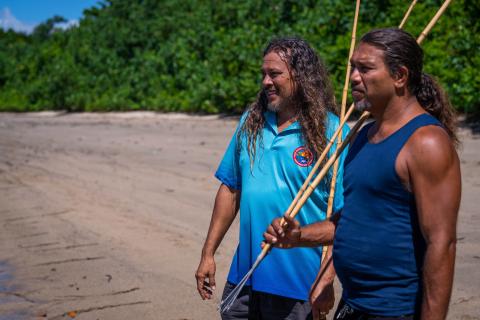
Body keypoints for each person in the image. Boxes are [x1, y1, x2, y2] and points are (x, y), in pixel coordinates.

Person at [263, 28, 461, 320]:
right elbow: (352, 220)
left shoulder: (426, 142)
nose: (354, 77)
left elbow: (441, 244)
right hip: (354, 304)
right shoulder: (362, 136)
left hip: (395, 310)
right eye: (353, 67)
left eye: (366, 68)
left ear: (400, 76)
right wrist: (299, 236)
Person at [195, 37, 349, 319]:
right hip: (245, 276)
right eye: (263, 74)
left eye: (275, 74)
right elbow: (231, 189)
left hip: (298, 285)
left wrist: (327, 279)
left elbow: (346, 218)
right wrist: (208, 253)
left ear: (301, 77)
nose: (266, 81)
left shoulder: (333, 133)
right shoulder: (250, 122)